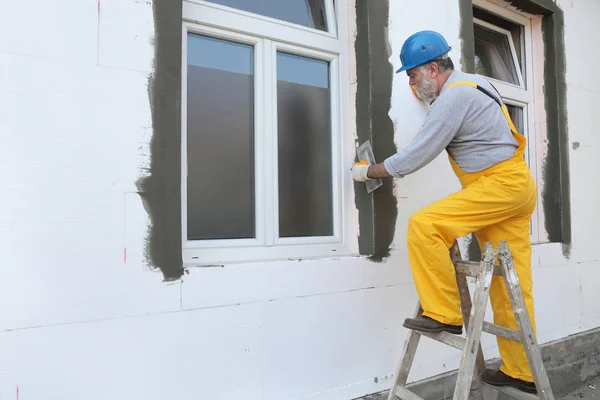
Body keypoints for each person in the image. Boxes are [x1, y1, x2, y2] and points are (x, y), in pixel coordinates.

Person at [351, 30, 538, 394]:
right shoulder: (474, 84)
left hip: (499, 186)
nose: (413, 84)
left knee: (426, 225)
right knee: (509, 283)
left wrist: (367, 171)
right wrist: (432, 100)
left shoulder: (453, 98)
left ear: (433, 68)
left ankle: (444, 314)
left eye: (414, 75)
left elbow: (415, 156)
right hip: (514, 186)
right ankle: (523, 372)